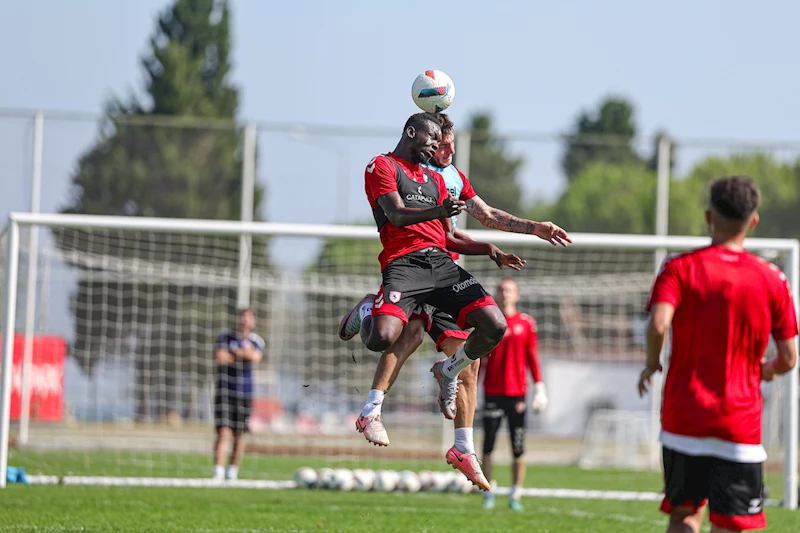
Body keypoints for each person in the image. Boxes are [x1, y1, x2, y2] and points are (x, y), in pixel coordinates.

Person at [348, 113, 569, 489]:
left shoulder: (442, 179)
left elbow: (473, 223)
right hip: (406, 268)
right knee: (399, 336)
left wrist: (504, 242)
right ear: (415, 133)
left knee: (481, 344)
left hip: (442, 268)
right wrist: (445, 214)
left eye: (446, 143)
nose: (443, 149)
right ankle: (372, 404)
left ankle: (462, 443)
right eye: (438, 142)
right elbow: (400, 215)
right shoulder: (386, 166)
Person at [638, 176, 798, 533]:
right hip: (738, 423)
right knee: (732, 525)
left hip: (683, 418)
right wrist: (765, 371)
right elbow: (789, 358)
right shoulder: (772, 279)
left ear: (709, 217)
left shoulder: (679, 267)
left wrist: (652, 363)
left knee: (683, 516)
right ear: (753, 221)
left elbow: (659, 324)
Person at [480, 277, 547, 511]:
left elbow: (533, 358)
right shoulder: (489, 322)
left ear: (517, 295)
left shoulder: (526, 323)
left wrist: (540, 387)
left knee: (518, 447)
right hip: (492, 392)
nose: (505, 293)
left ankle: (515, 494)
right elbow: (478, 357)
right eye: (501, 289)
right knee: (488, 446)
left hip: (517, 395)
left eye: (509, 290)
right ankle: (488, 492)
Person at [212, 308, 265, 481]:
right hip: (225, 390)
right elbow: (220, 357)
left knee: (239, 434)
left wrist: (235, 353)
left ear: (253, 322)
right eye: (242, 318)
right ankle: (218, 472)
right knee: (223, 432)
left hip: (244, 392)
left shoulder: (256, 340)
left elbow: (256, 357)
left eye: (248, 318)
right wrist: (244, 355)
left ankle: (232, 472)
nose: (244, 321)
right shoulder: (225, 337)